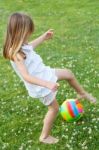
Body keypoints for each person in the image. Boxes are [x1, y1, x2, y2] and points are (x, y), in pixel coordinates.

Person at [3, 12, 96, 144]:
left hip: (45, 73)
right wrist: (47, 84)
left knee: (68, 73)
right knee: (54, 109)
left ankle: (81, 93)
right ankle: (44, 136)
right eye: (27, 33)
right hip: (40, 86)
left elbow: (30, 47)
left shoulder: (22, 45)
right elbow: (26, 76)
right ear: (19, 33)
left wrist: (43, 37)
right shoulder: (16, 54)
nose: (29, 36)